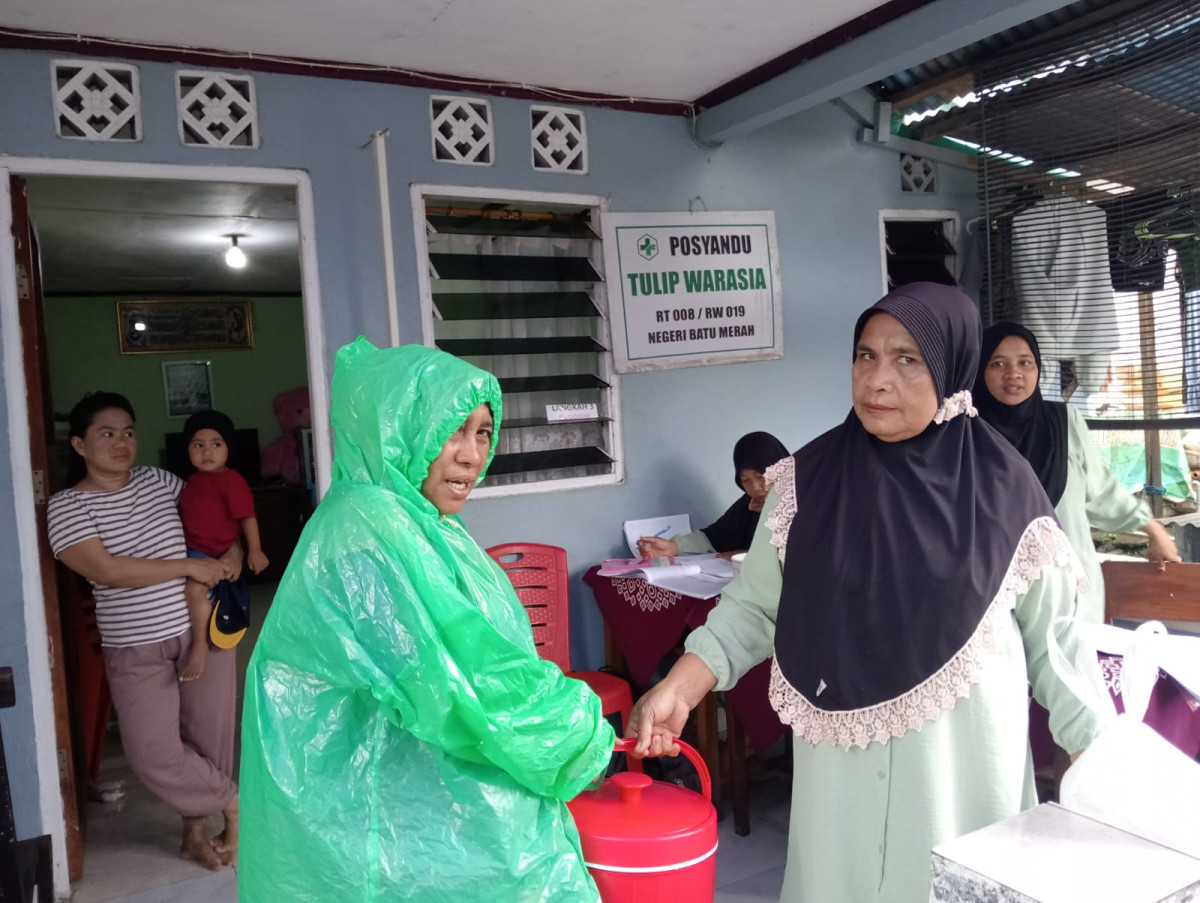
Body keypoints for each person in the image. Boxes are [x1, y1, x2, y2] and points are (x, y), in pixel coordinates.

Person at [629, 283, 1099, 903]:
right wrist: (679, 688)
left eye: (908, 359)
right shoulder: (807, 483)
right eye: (865, 356)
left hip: (957, 773)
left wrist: (1102, 763)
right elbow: (753, 608)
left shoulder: (1006, 490)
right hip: (841, 774)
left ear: (952, 369)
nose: (878, 380)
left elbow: (1056, 645)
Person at [239, 339, 616, 903]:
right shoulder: (369, 532)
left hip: (398, 797)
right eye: (451, 430)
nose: (471, 454)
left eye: (483, 432)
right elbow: (466, 690)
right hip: (365, 820)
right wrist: (586, 735)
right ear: (399, 431)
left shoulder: (422, 524)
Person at [47, 392, 242, 870]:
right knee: (152, 751)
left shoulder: (160, 480)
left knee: (208, 741)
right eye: (106, 433)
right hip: (134, 646)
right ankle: (235, 802)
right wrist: (187, 568)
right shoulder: (66, 506)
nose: (121, 442)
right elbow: (107, 570)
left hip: (204, 632)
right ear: (79, 443)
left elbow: (213, 516)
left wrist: (232, 551)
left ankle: (195, 834)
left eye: (128, 432)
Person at [973, 322, 1181, 623]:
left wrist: (1153, 529)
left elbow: (1101, 491)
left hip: (1069, 596)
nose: (1013, 374)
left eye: (1025, 362)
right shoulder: (969, 434)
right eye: (998, 363)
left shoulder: (1064, 423)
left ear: (1038, 368)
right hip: (997, 599)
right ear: (981, 371)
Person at [177, 409, 269, 681]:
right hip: (193, 550)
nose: (207, 451)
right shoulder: (192, 481)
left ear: (229, 448)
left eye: (216, 444)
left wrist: (254, 550)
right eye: (198, 445)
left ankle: (200, 645)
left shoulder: (231, 481)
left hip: (215, 552)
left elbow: (247, 518)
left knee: (194, 591)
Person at [637, 431, 789, 560]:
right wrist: (672, 547)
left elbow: (799, 555)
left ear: (780, 469)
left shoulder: (803, 502)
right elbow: (715, 536)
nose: (755, 487)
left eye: (761, 476)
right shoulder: (749, 505)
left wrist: (744, 556)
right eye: (745, 480)